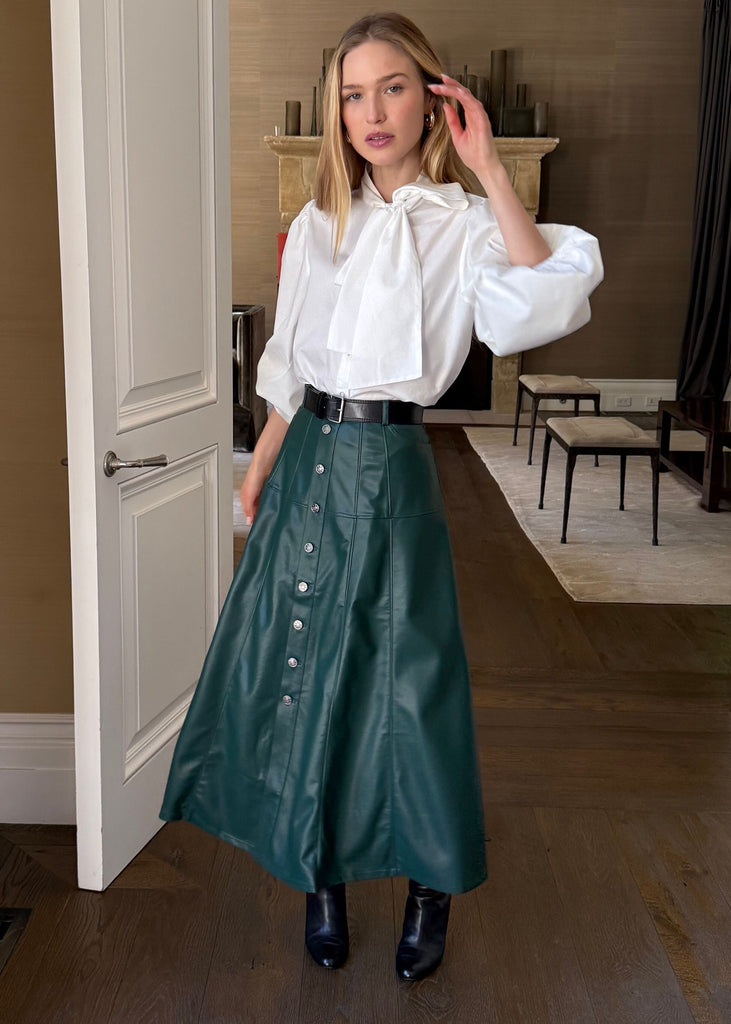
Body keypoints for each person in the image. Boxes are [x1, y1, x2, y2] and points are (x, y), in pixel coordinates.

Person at [159, 11, 603, 982]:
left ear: (430, 99)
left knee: (411, 684)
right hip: (307, 460)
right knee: (304, 668)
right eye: (352, 94)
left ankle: (428, 887)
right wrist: (258, 468)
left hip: (391, 464)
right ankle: (316, 874)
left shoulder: (465, 225)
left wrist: (489, 171)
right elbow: (291, 364)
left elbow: (544, 299)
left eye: (391, 88)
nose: (371, 111)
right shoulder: (320, 223)